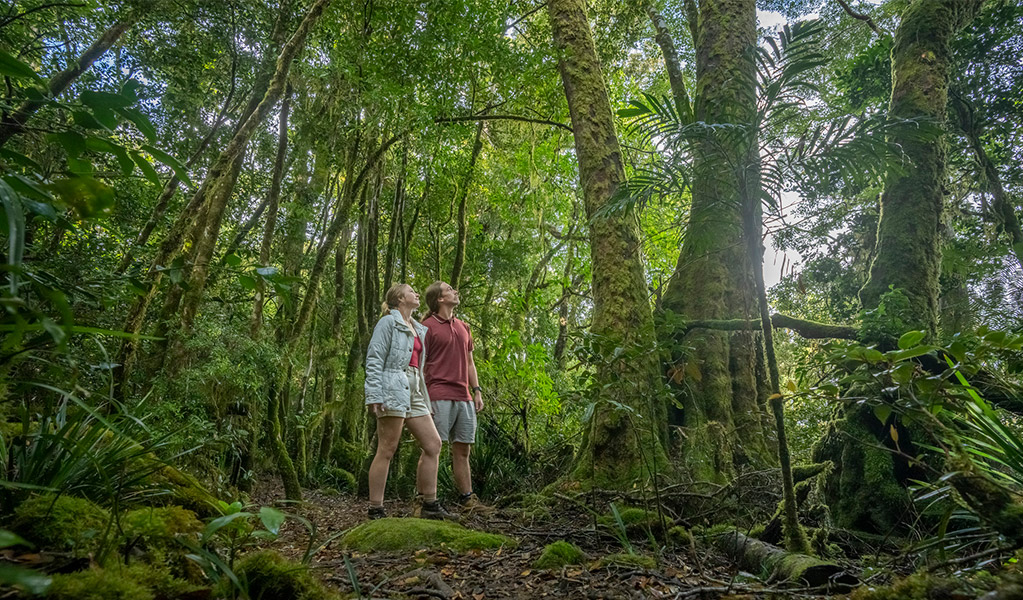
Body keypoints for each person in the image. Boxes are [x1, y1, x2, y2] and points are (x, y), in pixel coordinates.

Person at [364, 283, 456, 521]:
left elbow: (419, 365)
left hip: (415, 388)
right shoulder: (387, 323)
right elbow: (374, 357)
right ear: (399, 299)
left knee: (433, 444)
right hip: (393, 384)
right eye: (411, 290)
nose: (416, 293)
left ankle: (429, 504)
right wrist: (374, 394)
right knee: (387, 447)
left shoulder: (418, 328)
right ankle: (376, 509)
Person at [421, 281, 491, 511]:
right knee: (432, 448)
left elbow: (470, 362)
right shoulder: (426, 326)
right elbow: (420, 364)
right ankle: (421, 501)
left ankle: (467, 500)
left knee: (463, 450)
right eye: (449, 290)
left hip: (464, 397)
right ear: (439, 299)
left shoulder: (464, 327)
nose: (455, 292)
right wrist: (422, 397)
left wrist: (477, 390)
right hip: (438, 394)